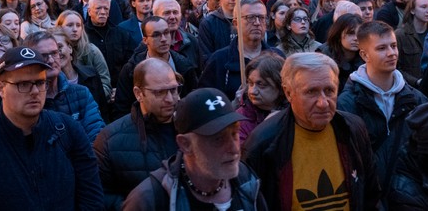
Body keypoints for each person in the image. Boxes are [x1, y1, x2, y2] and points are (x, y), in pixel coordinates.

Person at [0, 46, 103, 210]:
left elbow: (92, 199)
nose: (35, 91)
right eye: (23, 84)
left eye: (40, 82)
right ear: (1, 88)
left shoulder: (69, 131)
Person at [242, 53, 380, 211]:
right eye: (311, 92)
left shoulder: (353, 129)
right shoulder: (263, 142)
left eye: (329, 90)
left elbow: (371, 196)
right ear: (288, 93)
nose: (323, 103)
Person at [122, 87, 266, 211]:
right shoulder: (149, 200)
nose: (234, 149)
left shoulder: (247, 181)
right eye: (218, 139)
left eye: (234, 133)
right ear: (185, 144)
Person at [337, 21, 427, 195]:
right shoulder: (348, 103)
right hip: (370, 193)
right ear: (364, 55)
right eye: (381, 48)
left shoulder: (415, 98)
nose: (391, 53)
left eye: (393, 46)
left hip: (411, 193)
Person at [94, 58, 180, 210]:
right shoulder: (110, 140)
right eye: (160, 92)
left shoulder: (192, 130)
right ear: (138, 93)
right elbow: (100, 196)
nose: (170, 99)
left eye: (173, 90)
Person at [23, 31, 105, 142]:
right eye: (43, 56)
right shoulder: (24, 100)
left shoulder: (82, 94)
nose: (51, 60)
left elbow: (97, 135)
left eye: (54, 53)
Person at [113, 16, 197, 119]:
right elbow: (122, 108)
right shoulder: (131, 70)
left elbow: (194, 101)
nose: (163, 39)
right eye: (156, 35)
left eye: (166, 33)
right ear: (145, 40)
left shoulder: (185, 65)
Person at [199, 0, 283, 98]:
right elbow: (207, 99)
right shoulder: (219, 60)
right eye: (250, 17)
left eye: (261, 18)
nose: (257, 23)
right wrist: (232, 106)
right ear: (236, 23)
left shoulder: (277, 57)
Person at [236, 52, 286, 144]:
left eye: (261, 85)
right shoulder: (240, 119)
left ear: (281, 87)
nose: (252, 91)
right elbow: (243, 156)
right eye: (250, 83)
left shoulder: (296, 113)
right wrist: (264, 130)